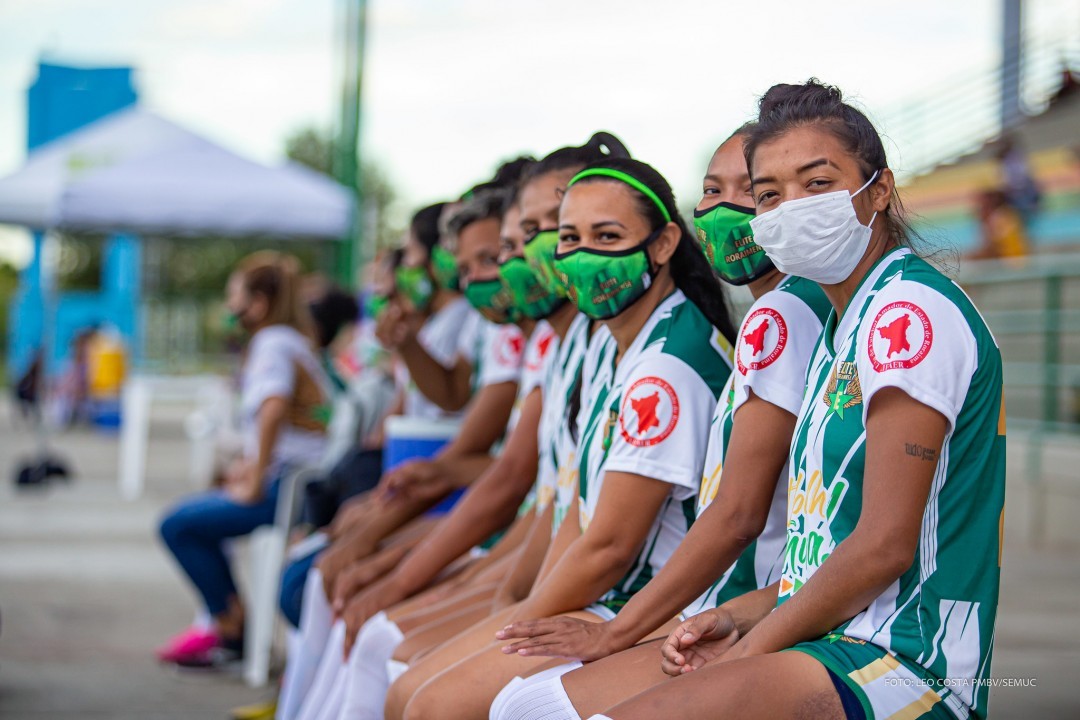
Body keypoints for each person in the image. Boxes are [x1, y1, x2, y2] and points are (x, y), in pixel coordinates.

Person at [585, 79, 1005, 720]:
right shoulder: (845, 322)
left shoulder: (906, 314)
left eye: (818, 183)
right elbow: (824, 551)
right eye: (769, 195)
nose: (792, 208)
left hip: (903, 661)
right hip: (831, 639)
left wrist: (746, 654)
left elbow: (886, 547)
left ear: (880, 189)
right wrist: (737, 617)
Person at [490, 124, 832, 720]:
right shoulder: (773, 311)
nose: (725, 210)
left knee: (518, 705)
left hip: (735, 600)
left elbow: (734, 516)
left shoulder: (775, 317)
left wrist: (617, 631)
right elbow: (570, 505)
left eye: (750, 192)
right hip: (733, 600)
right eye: (711, 190)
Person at [384, 156, 738, 720]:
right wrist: (514, 608)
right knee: (413, 686)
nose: (582, 255)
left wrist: (516, 621)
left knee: (432, 703)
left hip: (649, 605)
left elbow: (610, 547)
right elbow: (574, 506)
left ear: (664, 243)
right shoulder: (608, 340)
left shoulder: (667, 367)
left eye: (608, 236)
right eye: (569, 237)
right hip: (604, 593)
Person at [157, 251, 332, 666]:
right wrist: (252, 466)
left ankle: (231, 626)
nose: (229, 306)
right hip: (298, 476)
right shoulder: (289, 340)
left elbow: (273, 409)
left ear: (258, 303)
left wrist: (255, 480)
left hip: (293, 486)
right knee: (198, 516)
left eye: (234, 294)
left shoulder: (271, 343)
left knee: (178, 525)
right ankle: (229, 624)